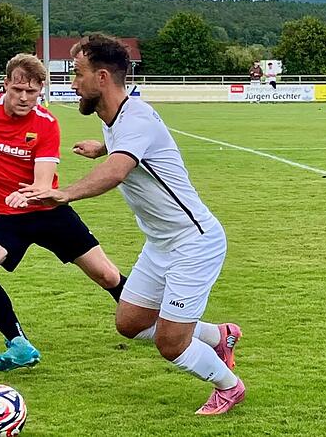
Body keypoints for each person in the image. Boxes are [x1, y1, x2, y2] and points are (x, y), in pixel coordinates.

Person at [17, 34, 245, 415]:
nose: (72, 83)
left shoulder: (134, 118)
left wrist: (64, 194)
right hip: (161, 244)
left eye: (77, 74)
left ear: (102, 78)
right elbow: (125, 146)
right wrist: (101, 146)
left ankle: (229, 386)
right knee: (130, 323)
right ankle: (220, 335)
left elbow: (118, 171)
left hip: (194, 243)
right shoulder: (118, 115)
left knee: (171, 344)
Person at [0, 53, 127, 372]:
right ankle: (19, 344)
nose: (24, 98)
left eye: (33, 92)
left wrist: (30, 194)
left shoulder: (46, 124)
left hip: (47, 211)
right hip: (4, 215)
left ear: (41, 91)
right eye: (18, 90)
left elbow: (42, 181)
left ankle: (152, 320)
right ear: (6, 84)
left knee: (106, 274)